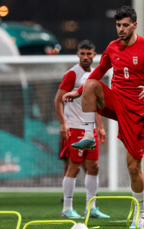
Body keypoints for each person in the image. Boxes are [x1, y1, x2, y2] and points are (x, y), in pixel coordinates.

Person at [62, 6, 144, 229]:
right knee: (92, 85)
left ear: (135, 25)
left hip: (137, 111)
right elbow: (97, 72)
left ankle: (140, 213)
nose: (120, 29)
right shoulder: (112, 47)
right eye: (118, 25)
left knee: (133, 167)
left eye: (125, 25)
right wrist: (79, 91)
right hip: (116, 101)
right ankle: (88, 134)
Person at [54, 40, 110, 219]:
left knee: (93, 167)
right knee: (74, 167)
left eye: (89, 53)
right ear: (78, 54)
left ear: (95, 55)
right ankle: (67, 208)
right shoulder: (72, 74)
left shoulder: (95, 74)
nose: (86, 57)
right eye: (82, 53)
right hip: (74, 127)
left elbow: (92, 102)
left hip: (89, 128)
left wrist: (100, 127)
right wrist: (63, 123)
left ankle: (91, 208)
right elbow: (58, 99)